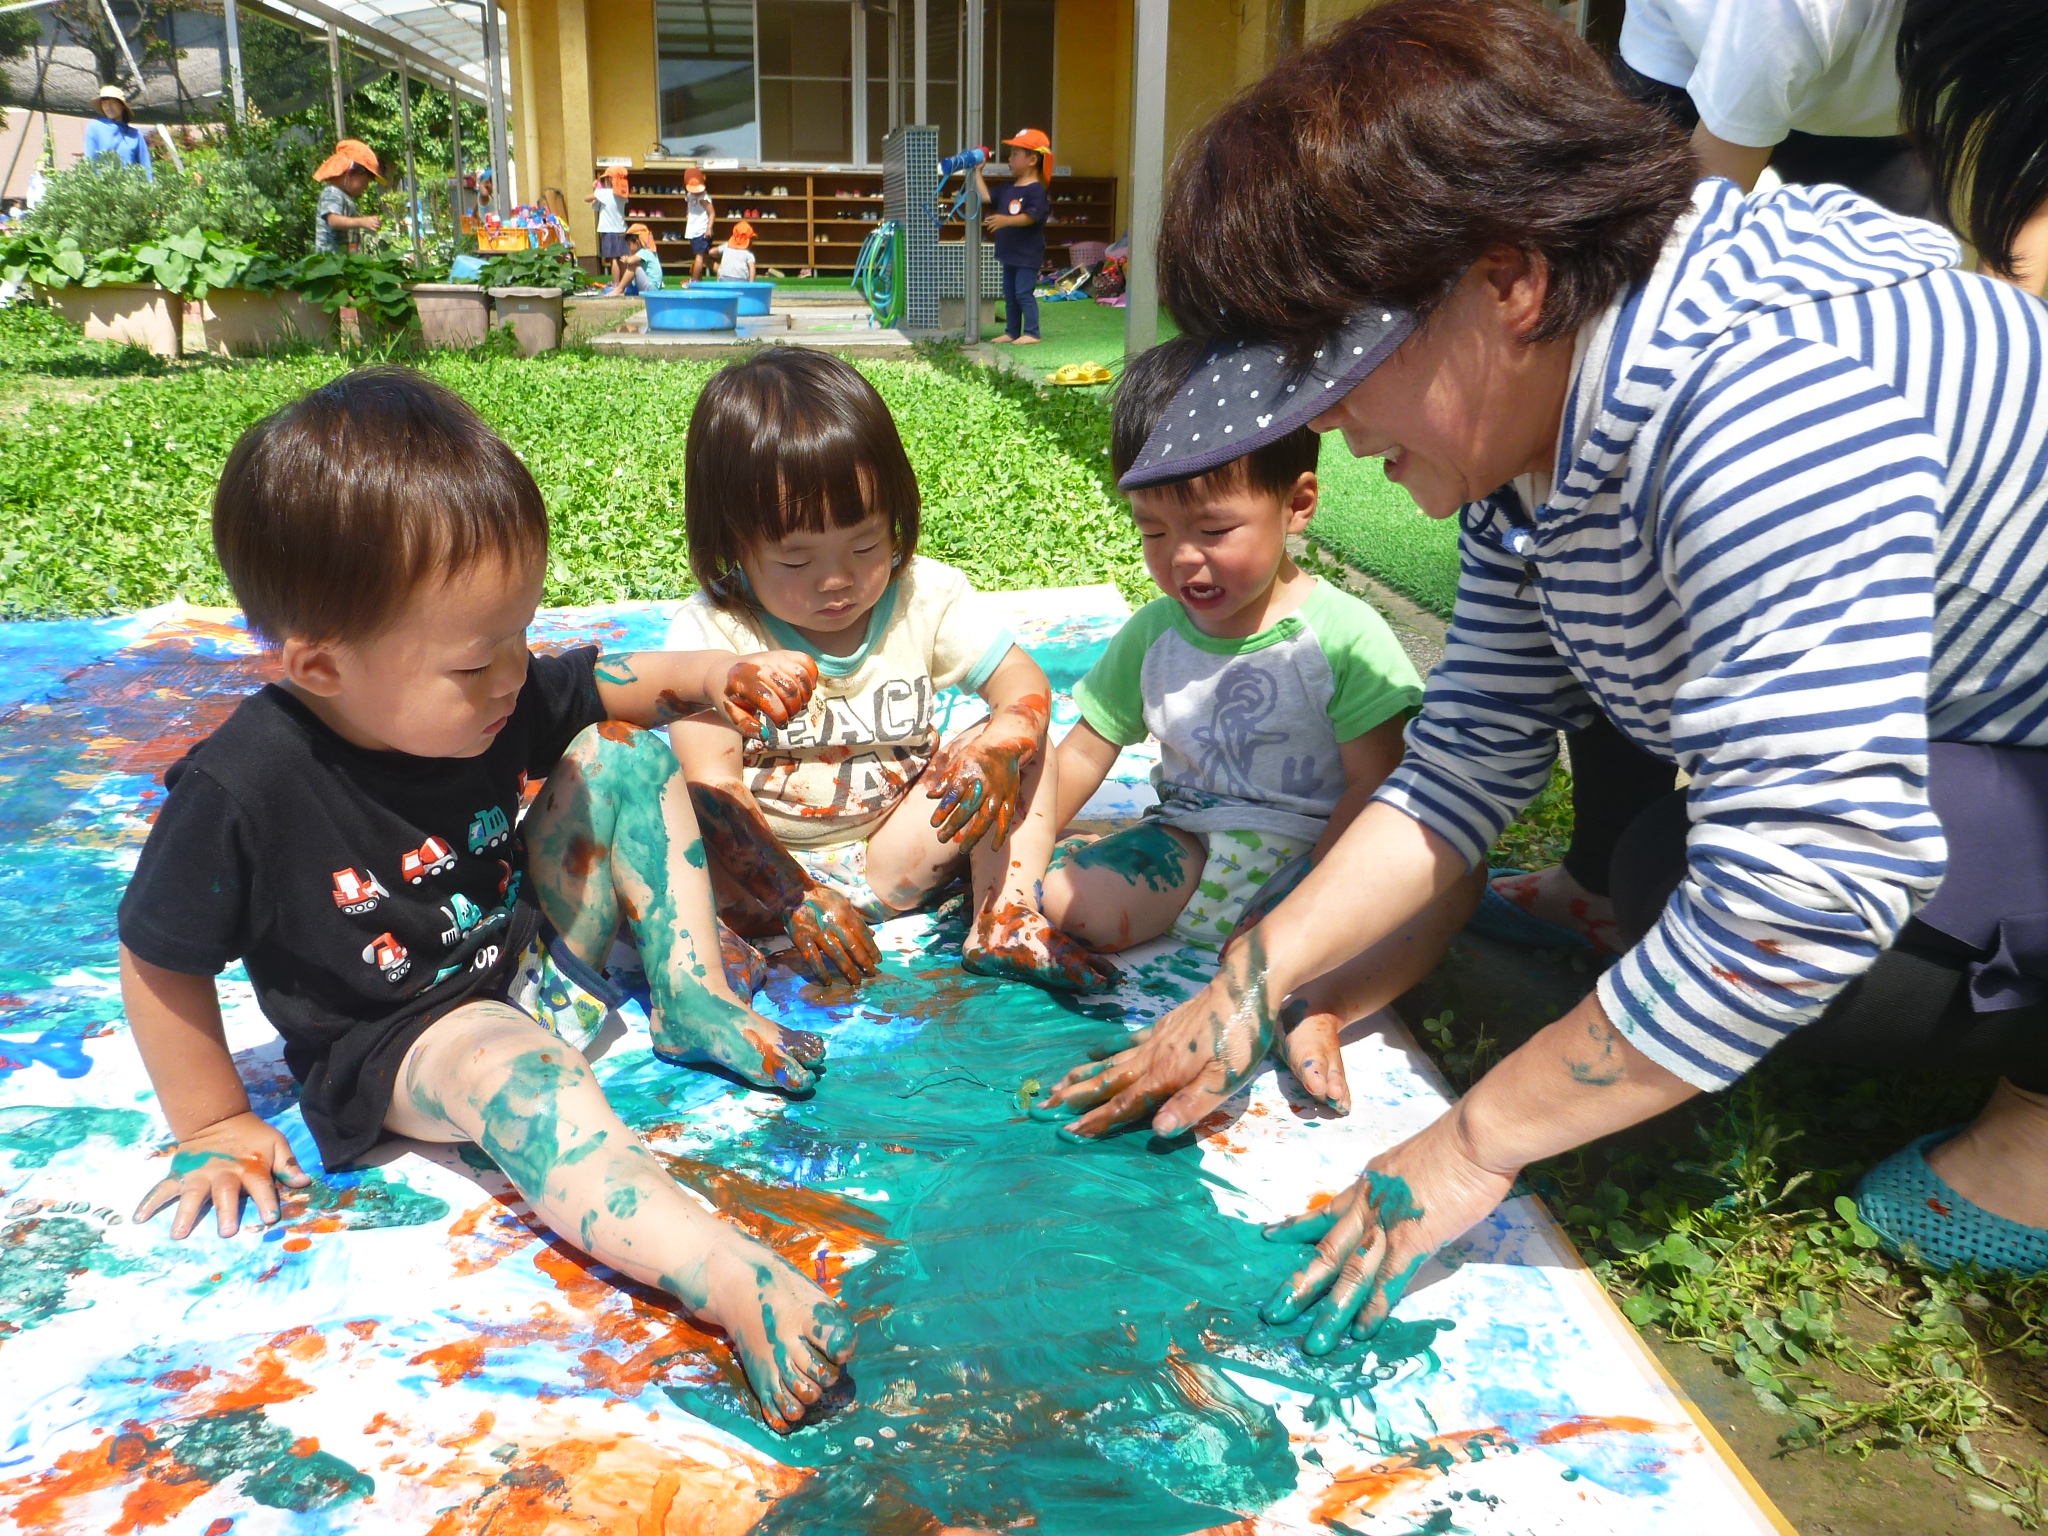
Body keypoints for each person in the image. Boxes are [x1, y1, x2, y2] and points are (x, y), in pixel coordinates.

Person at [1035, 0, 2048, 1322]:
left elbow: (1806, 888)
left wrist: (1469, 1146)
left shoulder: (1765, 405)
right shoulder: (1539, 413)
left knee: (1733, 893)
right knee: (1652, 872)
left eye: (1338, 368)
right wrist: (1253, 977)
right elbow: (1457, 766)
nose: (1326, 426)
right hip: (1969, 709)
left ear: (1507, 281)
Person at [117, 367, 852, 1431]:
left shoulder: (485, 692)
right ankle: (726, 1275)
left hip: (518, 963)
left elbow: (611, 685)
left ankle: (694, 1002)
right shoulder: (244, 786)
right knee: (522, 1074)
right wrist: (219, 1120)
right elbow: (158, 956)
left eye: (520, 634)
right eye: (478, 660)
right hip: (400, 1044)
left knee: (621, 758)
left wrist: (713, 679)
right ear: (319, 666)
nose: (513, 675)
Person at [1040, 339, 1472, 1114]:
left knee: (1317, 959)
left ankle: (1318, 1007)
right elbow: (1082, 750)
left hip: (1315, 856)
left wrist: (1296, 906)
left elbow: (1379, 788)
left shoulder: (1341, 636)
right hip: (1193, 838)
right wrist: (1026, 858)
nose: (1182, 560)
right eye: (1153, 532)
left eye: (1213, 529)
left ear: (1298, 504)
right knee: (1073, 909)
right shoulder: (1154, 634)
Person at [665, 349, 1113, 996]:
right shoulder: (715, 637)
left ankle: (1003, 914)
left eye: (866, 544)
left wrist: (1000, 740)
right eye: (796, 562)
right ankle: (729, 949)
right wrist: (795, 896)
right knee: (667, 818)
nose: (837, 579)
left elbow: (1022, 682)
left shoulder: (921, 596)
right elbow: (715, 786)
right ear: (733, 543)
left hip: (893, 855)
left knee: (1019, 735)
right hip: (760, 880)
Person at [1610, 0, 1932, 217]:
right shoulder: (1790, 12)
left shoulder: (1973, 34)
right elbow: (1701, 228)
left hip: (1871, 122)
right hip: (1690, 58)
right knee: (1637, 257)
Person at [1898, 0, 2048, 296]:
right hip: (1805, 97)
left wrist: (2001, 330)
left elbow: (2026, 209)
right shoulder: (1805, 16)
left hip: (1893, 140)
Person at [975, 129, 1052, 345]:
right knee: (1009, 295)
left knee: (1023, 294)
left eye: (1014, 154)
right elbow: (986, 197)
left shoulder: (1036, 191)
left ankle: (1032, 332)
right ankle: (1012, 331)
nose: (1009, 159)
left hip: (1027, 255)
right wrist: (976, 172)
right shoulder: (1008, 188)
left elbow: (1031, 217)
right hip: (1009, 253)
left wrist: (1005, 220)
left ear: (1032, 160)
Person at [312, 140, 385, 255]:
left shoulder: (344, 197)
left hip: (342, 262)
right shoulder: (332, 192)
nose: (366, 187)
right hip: (329, 262)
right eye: (365, 181)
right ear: (350, 174)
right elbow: (333, 220)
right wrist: (362, 222)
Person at [82, 85, 152, 180]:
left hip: (131, 190)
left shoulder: (135, 135)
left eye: (112, 103)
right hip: (104, 189)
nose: (108, 107)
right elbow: (90, 161)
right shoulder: (94, 128)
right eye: (105, 103)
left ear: (122, 106)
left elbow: (146, 167)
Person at [588, 166, 632, 289]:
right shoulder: (623, 194)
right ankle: (624, 283)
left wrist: (597, 187)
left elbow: (587, 198)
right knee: (623, 257)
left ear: (610, 180)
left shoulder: (604, 193)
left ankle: (616, 283)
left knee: (613, 259)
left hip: (609, 230)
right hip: (622, 229)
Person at [612, 222, 664, 296]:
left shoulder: (645, 251)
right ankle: (625, 289)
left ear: (636, 242)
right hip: (652, 287)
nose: (628, 247)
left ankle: (619, 289)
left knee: (633, 267)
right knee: (632, 266)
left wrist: (627, 260)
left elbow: (631, 261)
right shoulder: (649, 251)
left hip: (651, 289)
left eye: (629, 244)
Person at [683, 170, 715, 282]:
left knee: (700, 257)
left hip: (702, 231)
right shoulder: (689, 195)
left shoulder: (704, 198)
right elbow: (688, 208)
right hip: (693, 231)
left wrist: (709, 228)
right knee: (703, 257)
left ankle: (694, 280)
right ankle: (717, 272)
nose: (696, 192)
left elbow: (712, 213)